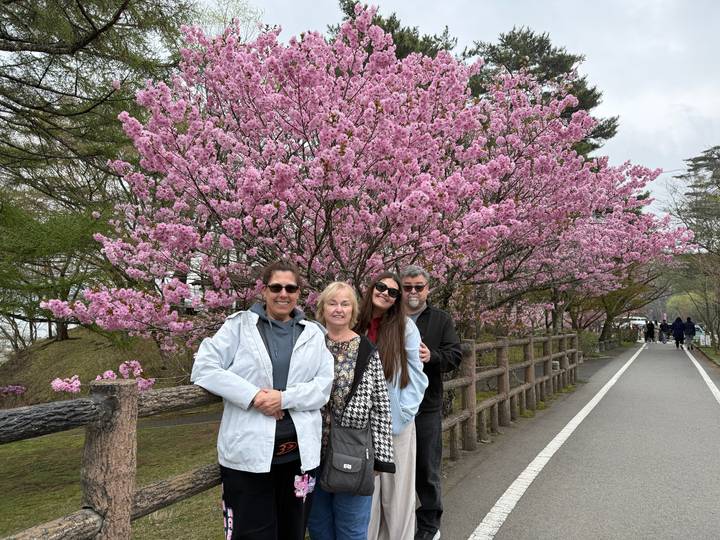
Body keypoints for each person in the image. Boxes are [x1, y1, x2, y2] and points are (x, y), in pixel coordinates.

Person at [191, 260, 334, 540]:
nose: (283, 293)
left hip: (298, 456)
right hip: (248, 457)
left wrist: (284, 399)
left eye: (290, 288)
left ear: (298, 292)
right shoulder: (239, 327)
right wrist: (254, 396)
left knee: (292, 531)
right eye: (276, 287)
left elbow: (322, 386)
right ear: (264, 290)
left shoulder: (313, 333)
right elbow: (205, 367)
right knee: (252, 533)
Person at [307, 282, 395, 540]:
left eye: (345, 304)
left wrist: (381, 457)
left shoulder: (366, 350)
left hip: (353, 451)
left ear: (353, 310)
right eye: (332, 303)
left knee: (352, 529)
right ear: (322, 309)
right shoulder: (309, 344)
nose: (338, 309)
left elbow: (380, 406)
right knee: (319, 526)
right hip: (313, 451)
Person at [357, 272, 429, 540]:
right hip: (360, 422)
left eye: (393, 292)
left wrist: (404, 411)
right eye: (381, 287)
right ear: (371, 289)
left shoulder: (404, 327)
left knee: (397, 493)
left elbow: (417, 373)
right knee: (367, 493)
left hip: (395, 421)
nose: (385, 293)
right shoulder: (356, 323)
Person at [399, 265, 462, 540]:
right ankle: (397, 523)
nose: (413, 292)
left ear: (428, 289)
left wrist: (432, 356)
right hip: (392, 406)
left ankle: (429, 526)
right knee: (393, 469)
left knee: (427, 467)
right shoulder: (390, 316)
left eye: (419, 287)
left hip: (427, 405)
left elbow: (455, 355)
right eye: (408, 287)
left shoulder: (440, 319)